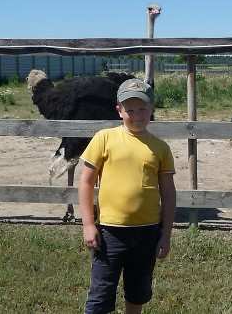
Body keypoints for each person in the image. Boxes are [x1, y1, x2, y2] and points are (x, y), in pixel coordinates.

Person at [78, 78, 176, 314]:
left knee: (138, 290)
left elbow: (169, 192)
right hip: (110, 233)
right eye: (129, 109)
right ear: (119, 110)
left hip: (147, 232)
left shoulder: (160, 147)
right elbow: (86, 182)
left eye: (142, 108)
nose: (137, 114)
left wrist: (166, 234)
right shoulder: (104, 138)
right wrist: (89, 224)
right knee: (101, 293)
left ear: (152, 108)